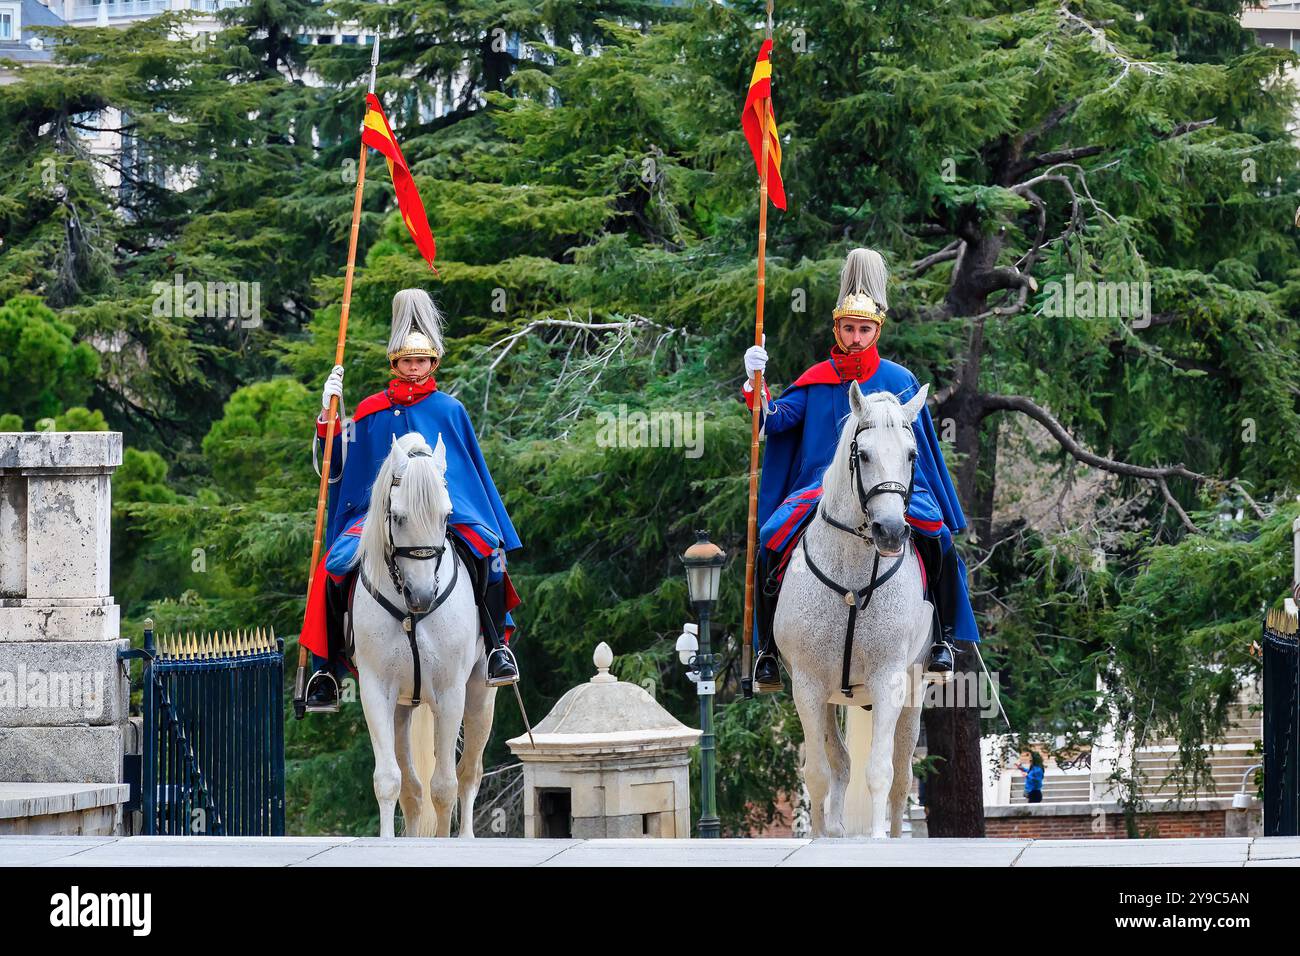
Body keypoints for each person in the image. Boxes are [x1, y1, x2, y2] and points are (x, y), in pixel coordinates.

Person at [743, 247, 980, 693]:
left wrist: (916, 491)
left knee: (940, 538)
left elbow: (921, 450)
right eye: (848, 328)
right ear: (838, 328)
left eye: (864, 329)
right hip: (822, 488)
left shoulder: (899, 380)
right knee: (770, 539)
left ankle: (943, 641)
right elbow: (772, 420)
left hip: (894, 486)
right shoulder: (815, 378)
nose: (855, 337)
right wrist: (754, 384)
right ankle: (767, 652)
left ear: (877, 331)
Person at [299, 289, 522, 710]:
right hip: (379, 515)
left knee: (490, 555)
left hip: (444, 513)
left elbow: (467, 470)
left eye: (421, 361)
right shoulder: (369, 409)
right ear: (395, 364)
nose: (413, 368)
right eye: (406, 361)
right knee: (335, 567)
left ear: (432, 362)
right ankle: (325, 671)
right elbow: (338, 465)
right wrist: (328, 418)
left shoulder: (449, 410)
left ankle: (494, 650)